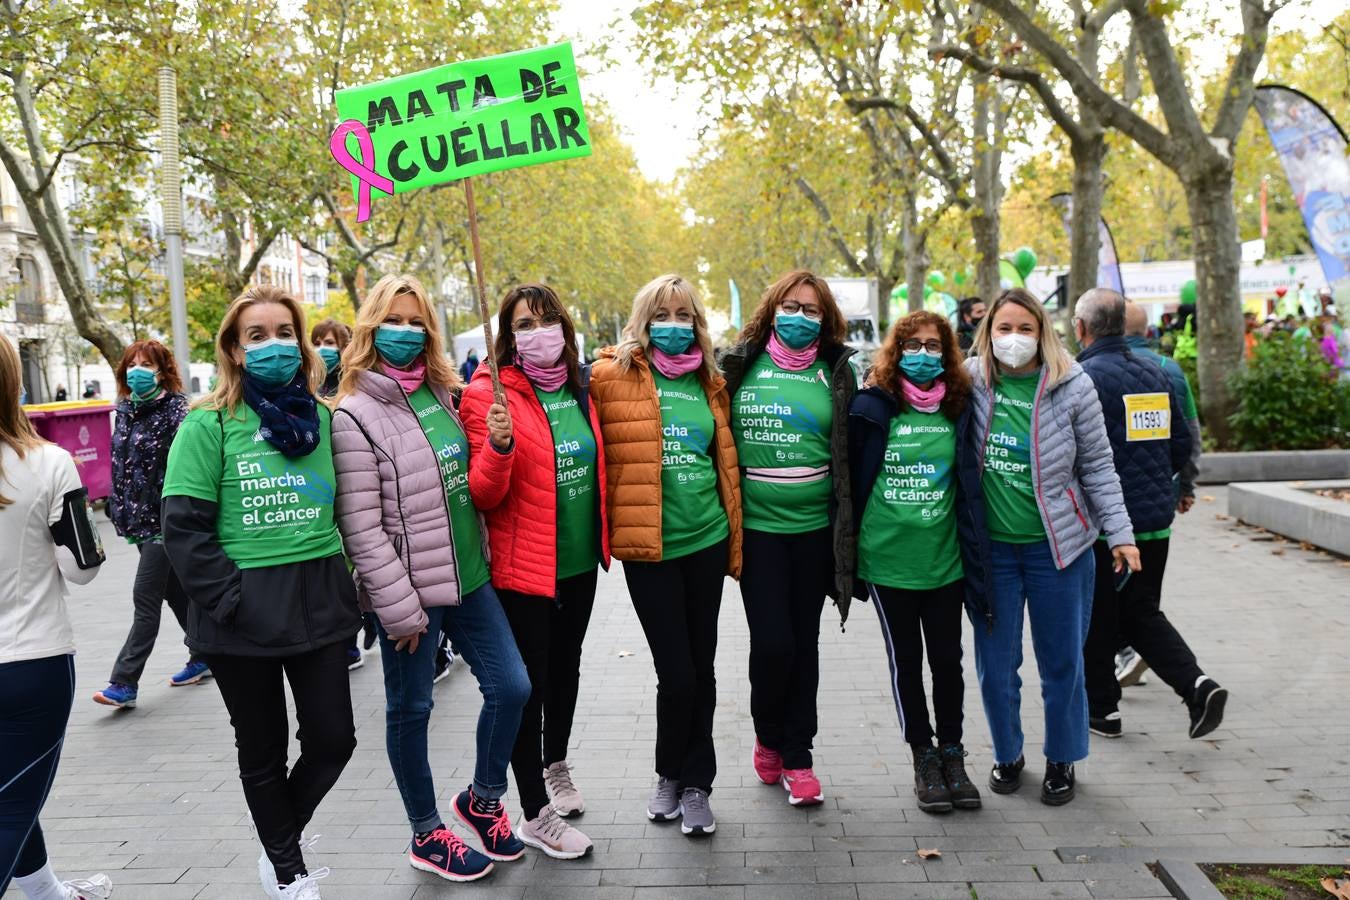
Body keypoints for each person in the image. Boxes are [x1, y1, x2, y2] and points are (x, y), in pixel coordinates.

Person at [162, 284, 362, 899]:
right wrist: (230, 600)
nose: (272, 345)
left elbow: (350, 514)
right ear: (234, 349)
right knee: (263, 750)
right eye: (256, 336)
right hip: (240, 614)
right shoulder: (209, 423)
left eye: (283, 333)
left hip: (322, 601)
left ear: (301, 344)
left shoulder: (326, 420)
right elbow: (182, 527)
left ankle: (280, 834)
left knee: (334, 739)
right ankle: (287, 872)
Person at [332, 274, 530, 882]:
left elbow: (471, 484)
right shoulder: (353, 414)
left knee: (512, 687)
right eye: (394, 320)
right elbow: (360, 528)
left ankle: (483, 798)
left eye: (418, 321)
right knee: (411, 709)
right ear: (371, 327)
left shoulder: (443, 393)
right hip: (411, 597)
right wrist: (397, 611)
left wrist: (496, 447)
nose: (407, 332)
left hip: (471, 579)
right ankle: (425, 833)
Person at [964, 288, 1139, 806]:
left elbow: (1100, 469)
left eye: (1025, 329)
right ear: (987, 332)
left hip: (1059, 551)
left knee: (1062, 662)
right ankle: (1007, 754)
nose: (1013, 338)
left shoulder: (1073, 384)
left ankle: (1062, 757)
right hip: (992, 554)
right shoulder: (971, 380)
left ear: (1043, 332)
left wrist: (1122, 535)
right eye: (1004, 328)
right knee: (996, 667)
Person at [460, 282, 609, 859]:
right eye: (524, 323)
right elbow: (483, 494)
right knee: (530, 686)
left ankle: (556, 766)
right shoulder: (487, 394)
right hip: (524, 571)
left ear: (565, 329)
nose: (537, 332)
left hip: (578, 563)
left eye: (547, 320)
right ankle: (531, 811)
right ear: (508, 336)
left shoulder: (581, 387)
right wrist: (496, 448)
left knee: (565, 670)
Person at [591, 273, 742, 836]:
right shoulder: (611, 377)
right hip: (648, 549)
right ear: (643, 320)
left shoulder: (711, 379)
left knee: (700, 667)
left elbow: (721, 455)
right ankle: (668, 773)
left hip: (704, 540)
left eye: (684, 316)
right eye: (663, 315)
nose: (674, 326)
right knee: (674, 672)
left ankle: (695, 782)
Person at [719, 270, 856, 808]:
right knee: (773, 643)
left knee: (805, 645)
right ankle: (767, 733)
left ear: (826, 319)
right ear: (771, 309)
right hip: (758, 532)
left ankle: (798, 755)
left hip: (817, 533)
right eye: (790, 306)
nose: (800, 317)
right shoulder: (739, 365)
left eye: (812, 310)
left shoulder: (837, 371)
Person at [849, 310, 988, 815]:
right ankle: (923, 756)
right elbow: (850, 480)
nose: (924, 354)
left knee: (947, 662)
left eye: (934, 346)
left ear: (948, 354)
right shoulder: (872, 406)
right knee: (906, 662)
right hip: (888, 562)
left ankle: (953, 753)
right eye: (913, 344)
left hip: (945, 561)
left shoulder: (959, 406)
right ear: (895, 350)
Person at [1073, 290, 1226, 742]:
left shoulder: (1084, 377)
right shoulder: (1154, 373)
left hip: (1106, 526)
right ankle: (1196, 687)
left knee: (1099, 617)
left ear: (1081, 327)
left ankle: (1103, 710)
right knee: (1139, 611)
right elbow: (1181, 445)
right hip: (1155, 522)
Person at [0, 335, 112, 900]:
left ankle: (46, 892)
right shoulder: (48, 462)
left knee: (12, 792)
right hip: (30, 661)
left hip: (26, 661)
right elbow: (83, 569)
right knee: (12, 802)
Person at [94, 340, 205, 710]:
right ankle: (205, 653)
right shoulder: (125, 410)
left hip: (166, 521)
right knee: (173, 592)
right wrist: (116, 504)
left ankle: (124, 681)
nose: (137, 369)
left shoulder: (176, 411)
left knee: (145, 597)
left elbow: (185, 467)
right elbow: (123, 463)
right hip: (139, 522)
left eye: (147, 363)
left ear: (162, 370)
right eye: (132, 363)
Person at [1116, 301, 1202, 687]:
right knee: (1147, 586)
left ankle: (1127, 651)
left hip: (1112, 505)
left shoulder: (1095, 370)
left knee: (1113, 591)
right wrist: (1185, 485)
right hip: (1159, 500)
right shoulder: (1171, 370)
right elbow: (1189, 434)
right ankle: (1138, 649)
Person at [309, 318, 376, 670]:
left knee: (356, 562)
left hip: (353, 481)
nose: (324, 348)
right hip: (323, 489)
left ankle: (363, 623)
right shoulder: (306, 384)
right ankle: (352, 634)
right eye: (317, 341)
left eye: (331, 342)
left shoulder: (354, 385)